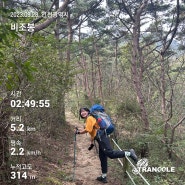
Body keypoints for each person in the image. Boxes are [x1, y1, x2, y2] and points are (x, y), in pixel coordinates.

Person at [76, 107, 138, 183]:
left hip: (101, 137)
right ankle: (103, 176)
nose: (82, 113)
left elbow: (88, 130)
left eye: (84, 111)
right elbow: (92, 132)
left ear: (88, 111)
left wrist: (79, 132)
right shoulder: (90, 118)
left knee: (110, 153)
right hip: (100, 138)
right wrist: (91, 143)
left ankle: (129, 153)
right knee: (102, 157)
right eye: (81, 112)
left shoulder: (89, 118)